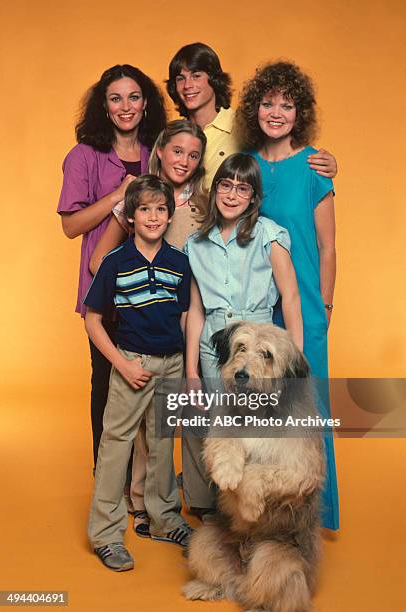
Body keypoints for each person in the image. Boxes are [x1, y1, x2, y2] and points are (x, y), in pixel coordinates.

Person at [236, 60, 339, 530]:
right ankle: (263, 514)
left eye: (287, 104)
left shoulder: (316, 167)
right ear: (254, 108)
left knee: (307, 409)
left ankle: (314, 513)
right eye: (268, 102)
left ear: (301, 113)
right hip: (260, 305)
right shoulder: (246, 167)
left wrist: (327, 308)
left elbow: (327, 246)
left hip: (306, 307)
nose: (276, 112)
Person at [57, 65, 166, 489]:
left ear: (146, 102)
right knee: (106, 381)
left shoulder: (157, 151)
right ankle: (107, 478)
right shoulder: (83, 155)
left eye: (134, 97)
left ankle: (143, 483)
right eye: (116, 98)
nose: (126, 106)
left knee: (153, 384)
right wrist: (119, 195)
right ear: (103, 105)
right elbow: (71, 225)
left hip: (155, 288)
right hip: (105, 288)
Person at [183, 152, 302, 514]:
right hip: (215, 346)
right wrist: (191, 372)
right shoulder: (197, 244)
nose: (232, 195)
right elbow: (196, 310)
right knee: (217, 429)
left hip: (257, 342)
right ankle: (207, 510)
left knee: (256, 432)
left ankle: (250, 513)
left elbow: (291, 296)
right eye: (225, 185)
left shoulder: (269, 235)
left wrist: (291, 361)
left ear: (253, 197)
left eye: (242, 188)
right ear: (215, 189)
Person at [84, 175, 193, 571]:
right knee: (116, 445)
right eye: (144, 209)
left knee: (163, 443)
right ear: (130, 217)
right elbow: (93, 321)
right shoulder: (115, 263)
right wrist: (123, 364)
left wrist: (186, 369)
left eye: (160, 209)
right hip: (131, 362)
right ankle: (105, 533)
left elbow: (184, 318)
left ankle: (164, 518)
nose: (152, 216)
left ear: (169, 216)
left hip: (172, 364)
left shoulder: (180, 262)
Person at [166, 42, 337, 187]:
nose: (188, 85)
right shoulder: (173, 134)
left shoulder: (242, 123)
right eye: (180, 78)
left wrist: (325, 163)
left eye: (196, 76)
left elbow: (284, 147)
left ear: (214, 80)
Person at [89, 118, 208, 275]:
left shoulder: (206, 204)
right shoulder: (136, 196)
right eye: (177, 151)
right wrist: (134, 287)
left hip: (192, 298)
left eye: (193, 156)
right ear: (160, 150)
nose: (184, 162)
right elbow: (97, 263)